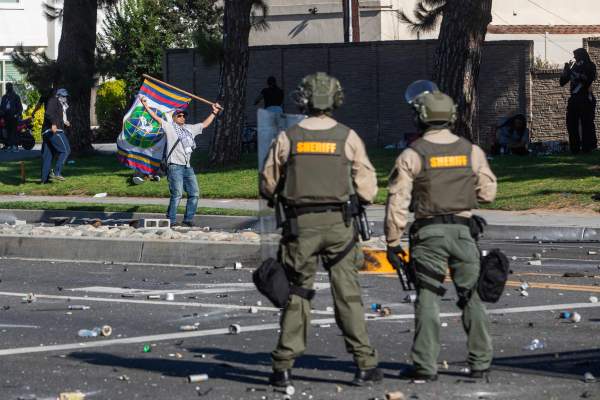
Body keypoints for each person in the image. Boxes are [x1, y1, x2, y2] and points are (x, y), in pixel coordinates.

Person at [260, 72, 382, 387]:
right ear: (335, 99)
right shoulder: (348, 137)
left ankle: (283, 366)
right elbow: (368, 189)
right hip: (340, 227)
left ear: (303, 99)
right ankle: (365, 364)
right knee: (348, 295)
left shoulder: (288, 137)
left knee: (297, 292)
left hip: (300, 228)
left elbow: (268, 184)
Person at [385, 80, 497, 382]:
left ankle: (425, 365)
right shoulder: (471, 151)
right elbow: (488, 192)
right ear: (451, 116)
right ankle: (481, 362)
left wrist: (393, 241)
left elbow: (397, 202)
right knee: (471, 296)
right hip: (463, 232)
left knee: (428, 296)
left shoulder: (412, 154)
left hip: (429, 234)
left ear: (420, 117)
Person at [140, 96, 221, 227]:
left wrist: (214, 112)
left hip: (187, 167)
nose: (182, 117)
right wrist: (145, 105)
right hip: (175, 166)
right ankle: (171, 220)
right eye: (179, 115)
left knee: (194, 193)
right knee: (177, 194)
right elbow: (156, 118)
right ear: (174, 118)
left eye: (184, 115)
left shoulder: (190, 129)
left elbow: (204, 124)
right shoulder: (169, 127)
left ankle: (188, 219)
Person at [560, 48, 597, 154]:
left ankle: (587, 147)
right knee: (571, 124)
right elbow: (562, 82)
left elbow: (588, 80)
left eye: (576, 55)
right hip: (574, 99)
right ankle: (574, 148)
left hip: (586, 98)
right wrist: (566, 71)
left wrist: (576, 74)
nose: (574, 58)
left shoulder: (590, 66)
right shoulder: (573, 66)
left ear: (582, 55)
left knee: (587, 124)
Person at [41, 88, 71, 183]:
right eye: (63, 96)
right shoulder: (53, 101)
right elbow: (48, 113)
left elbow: (56, 116)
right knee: (66, 150)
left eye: (66, 96)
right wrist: (54, 124)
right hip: (54, 131)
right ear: (58, 95)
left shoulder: (61, 105)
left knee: (48, 155)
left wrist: (64, 122)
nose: (65, 98)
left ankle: (44, 179)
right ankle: (57, 172)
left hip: (47, 132)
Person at [1, 82, 23, 152]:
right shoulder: (4, 97)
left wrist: (17, 115)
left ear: (11, 88)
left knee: (13, 131)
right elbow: (2, 107)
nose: (7, 88)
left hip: (13, 116)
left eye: (9, 87)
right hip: (6, 116)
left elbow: (20, 107)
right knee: (7, 131)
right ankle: (8, 145)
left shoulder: (16, 96)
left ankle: (15, 146)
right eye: (7, 87)